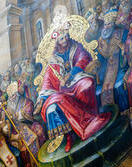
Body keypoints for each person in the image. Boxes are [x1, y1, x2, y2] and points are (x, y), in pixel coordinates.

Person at [34, 14, 111, 152]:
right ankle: (71, 135)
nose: (66, 39)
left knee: (87, 84)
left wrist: (72, 73)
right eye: (62, 38)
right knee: (54, 105)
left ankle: (91, 116)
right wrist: (40, 100)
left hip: (76, 80)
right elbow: (47, 82)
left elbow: (83, 58)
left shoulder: (76, 46)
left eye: (66, 36)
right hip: (61, 91)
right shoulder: (53, 61)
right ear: (57, 42)